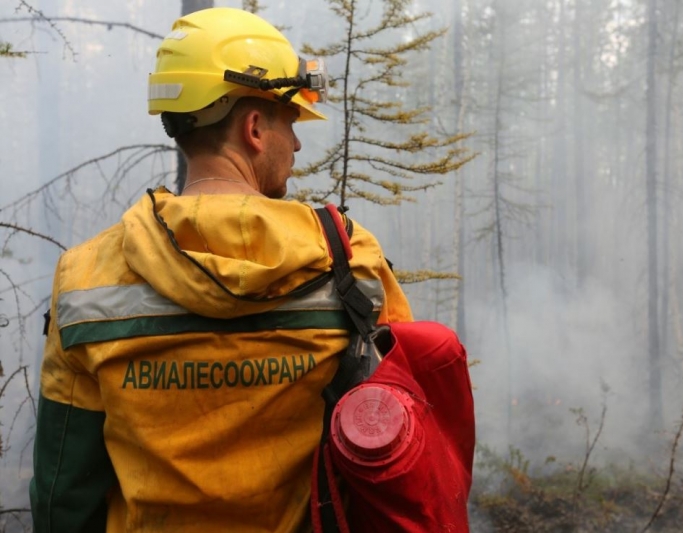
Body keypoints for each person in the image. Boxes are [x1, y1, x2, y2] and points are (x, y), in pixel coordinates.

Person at [29, 7, 412, 533]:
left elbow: (65, 492)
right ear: (254, 127)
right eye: (290, 121)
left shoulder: (86, 276)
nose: (296, 145)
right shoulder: (347, 257)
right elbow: (401, 442)